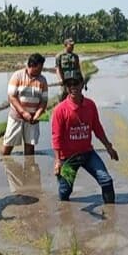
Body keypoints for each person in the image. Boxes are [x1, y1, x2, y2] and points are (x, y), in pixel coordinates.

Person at [51, 69, 119, 203]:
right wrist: (58, 161)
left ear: (82, 84)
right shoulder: (60, 110)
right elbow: (56, 137)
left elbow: (97, 128)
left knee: (106, 180)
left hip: (87, 153)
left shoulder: (90, 105)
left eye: (76, 83)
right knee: (65, 192)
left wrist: (109, 147)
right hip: (68, 158)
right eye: (69, 84)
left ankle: (112, 213)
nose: (73, 87)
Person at [1, 53, 49, 156]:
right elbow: (12, 97)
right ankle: (3, 166)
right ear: (31, 65)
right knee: (8, 145)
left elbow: (44, 101)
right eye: (39, 68)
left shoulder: (42, 80)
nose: (41, 71)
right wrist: (23, 112)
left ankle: (29, 170)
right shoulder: (17, 75)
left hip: (33, 119)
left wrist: (38, 114)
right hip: (16, 117)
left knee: (30, 148)